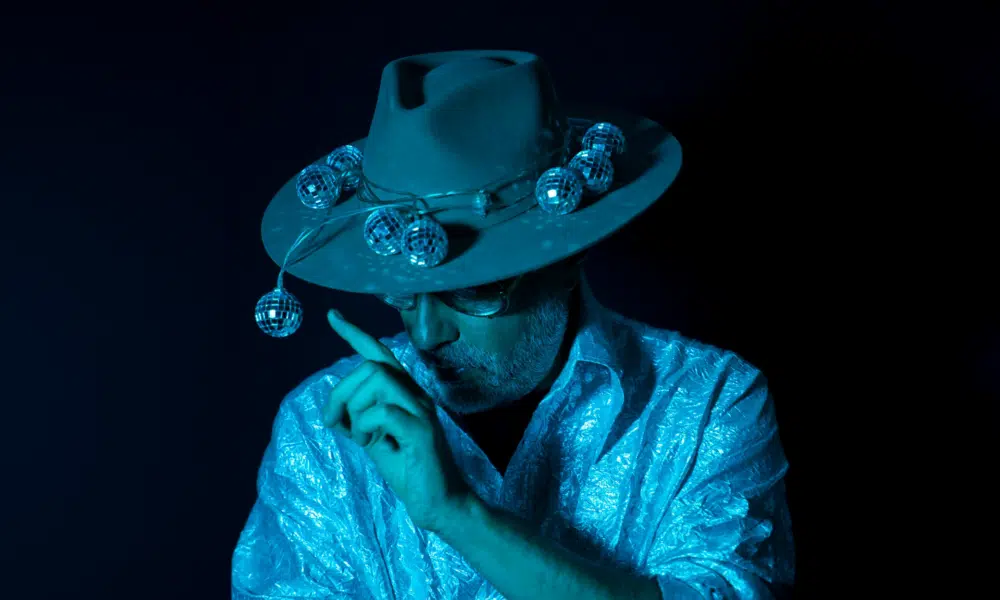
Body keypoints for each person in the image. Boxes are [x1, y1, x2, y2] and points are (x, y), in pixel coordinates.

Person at [233, 50, 795, 599]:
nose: (427, 334)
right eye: (402, 293)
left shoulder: (708, 404)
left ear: (567, 260)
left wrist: (459, 516)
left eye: (474, 291)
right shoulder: (323, 428)